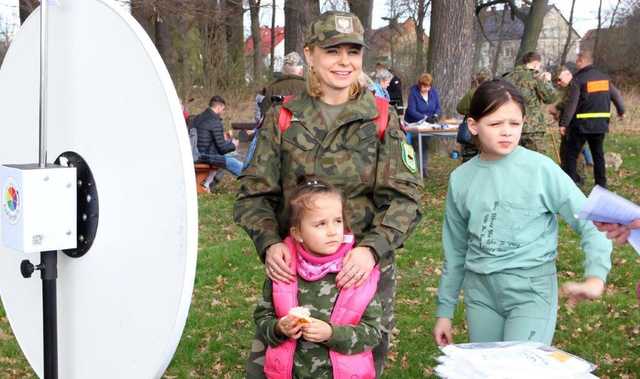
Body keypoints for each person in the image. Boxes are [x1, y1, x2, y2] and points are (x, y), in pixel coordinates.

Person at [234, 11, 422, 378]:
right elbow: (253, 193)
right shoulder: (285, 116)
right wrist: (270, 244)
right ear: (309, 54)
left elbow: (405, 196)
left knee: (353, 365)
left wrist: (371, 250)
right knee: (278, 364)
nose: (344, 61)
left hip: (360, 274)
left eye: (353, 52)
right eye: (332, 51)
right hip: (295, 269)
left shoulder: (380, 117)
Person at [432, 79, 612, 347]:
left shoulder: (541, 169)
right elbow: (455, 251)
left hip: (531, 292)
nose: (506, 132)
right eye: (495, 124)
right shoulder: (460, 179)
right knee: (489, 372)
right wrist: (444, 311)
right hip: (481, 295)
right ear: (473, 126)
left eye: (514, 124)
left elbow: (591, 220)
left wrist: (596, 276)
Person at [251, 176, 382, 379]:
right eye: (320, 224)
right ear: (298, 233)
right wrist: (278, 328)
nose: (332, 231)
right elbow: (262, 318)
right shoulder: (284, 269)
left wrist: (332, 334)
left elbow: (372, 334)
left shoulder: (356, 272)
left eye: (337, 221)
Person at [559, 50, 625, 188]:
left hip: (581, 125)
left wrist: (564, 123)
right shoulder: (604, 78)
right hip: (600, 124)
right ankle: (601, 185)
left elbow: (572, 104)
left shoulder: (578, 79)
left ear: (581, 61)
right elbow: (617, 95)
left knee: (571, 154)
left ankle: (571, 184)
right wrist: (621, 111)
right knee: (598, 155)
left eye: (577, 60)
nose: (576, 63)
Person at [504, 51, 557, 153]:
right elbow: (550, 98)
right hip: (534, 129)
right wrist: (548, 81)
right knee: (536, 162)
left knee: (514, 162)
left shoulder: (507, 77)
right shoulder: (536, 77)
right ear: (536, 63)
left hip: (512, 126)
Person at [192, 95, 242, 191]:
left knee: (228, 156)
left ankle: (207, 184)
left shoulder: (197, 118)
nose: (223, 112)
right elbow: (222, 149)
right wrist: (233, 145)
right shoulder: (215, 121)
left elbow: (206, 138)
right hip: (203, 156)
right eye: (223, 109)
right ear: (219, 107)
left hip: (194, 153)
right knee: (232, 161)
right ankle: (253, 181)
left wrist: (226, 141)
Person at [549, 67, 594, 171]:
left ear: (568, 75)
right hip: (572, 124)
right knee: (568, 152)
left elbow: (571, 104)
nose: (558, 83)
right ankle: (571, 175)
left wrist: (563, 123)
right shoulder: (569, 87)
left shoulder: (575, 85)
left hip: (575, 124)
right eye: (556, 81)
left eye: (559, 79)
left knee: (573, 153)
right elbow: (566, 104)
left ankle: (577, 178)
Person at [405, 73, 442, 175]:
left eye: (428, 87)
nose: (426, 89)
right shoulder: (413, 93)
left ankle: (423, 168)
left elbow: (438, 107)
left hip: (428, 124)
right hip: (414, 123)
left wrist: (435, 115)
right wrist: (425, 117)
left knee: (425, 145)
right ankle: (414, 169)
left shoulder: (433, 92)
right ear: (419, 85)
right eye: (424, 86)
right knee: (416, 145)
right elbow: (411, 110)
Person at [456, 69, 491, 162]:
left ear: (477, 81)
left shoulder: (472, 93)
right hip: (489, 129)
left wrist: (470, 111)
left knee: (469, 157)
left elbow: (460, 108)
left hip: (473, 129)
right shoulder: (495, 93)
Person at [259, 51, 307, 118]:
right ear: (301, 71)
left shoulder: (269, 89)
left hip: (276, 127)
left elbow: (260, 116)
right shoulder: (312, 88)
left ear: (283, 71)